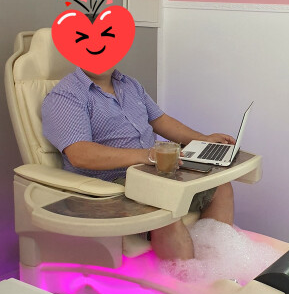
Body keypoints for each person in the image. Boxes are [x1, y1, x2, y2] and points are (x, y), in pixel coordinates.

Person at [42, 65, 235, 261]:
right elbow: (80, 154)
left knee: (219, 187)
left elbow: (161, 120)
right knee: (164, 203)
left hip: (153, 173)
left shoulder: (129, 85)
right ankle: (186, 277)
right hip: (111, 185)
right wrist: (147, 156)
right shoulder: (66, 95)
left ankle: (214, 266)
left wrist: (202, 139)